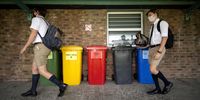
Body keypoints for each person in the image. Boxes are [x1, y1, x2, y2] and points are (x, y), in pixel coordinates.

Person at [20, 7, 67, 97]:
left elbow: (33, 34)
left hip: (40, 47)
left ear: (37, 12)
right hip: (44, 47)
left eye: (34, 11)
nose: (33, 13)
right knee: (35, 68)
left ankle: (61, 85)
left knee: (42, 71)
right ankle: (33, 91)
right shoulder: (45, 22)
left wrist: (25, 47)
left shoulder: (36, 19)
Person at [146, 9, 173, 95]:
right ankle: (157, 89)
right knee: (152, 70)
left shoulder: (162, 23)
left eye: (150, 14)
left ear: (155, 14)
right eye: (148, 16)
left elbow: (165, 37)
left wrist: (159, 51)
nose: (149, 17)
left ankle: (167, 83)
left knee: (152, 69)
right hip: (151, 48)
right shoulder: (152, 26)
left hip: (158, 48)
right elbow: (152, 40)